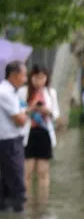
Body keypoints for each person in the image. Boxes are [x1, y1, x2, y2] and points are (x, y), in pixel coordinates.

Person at [17, 64, 60, 202]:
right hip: (28, 133)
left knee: (43, 173)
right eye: (36, 77)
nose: (39, 81)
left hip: (44, 132)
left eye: (42, 77)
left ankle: (42, 203)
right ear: (31, 77)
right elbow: (17, 112)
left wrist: (48, 112)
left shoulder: (50, 92)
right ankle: (26, 201)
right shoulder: (23, 92)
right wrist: (32, 108)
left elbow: (56, 114)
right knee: (27, 172)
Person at [0, 61, 29, 212]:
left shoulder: (11, 92)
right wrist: (26, 112)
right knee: (17, 182)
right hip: (9, 142)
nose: (25, 79)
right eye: (23, 75)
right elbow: (20, 121)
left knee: (6, 182)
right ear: (14, 75)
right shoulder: (5, 92)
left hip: (8, 141)